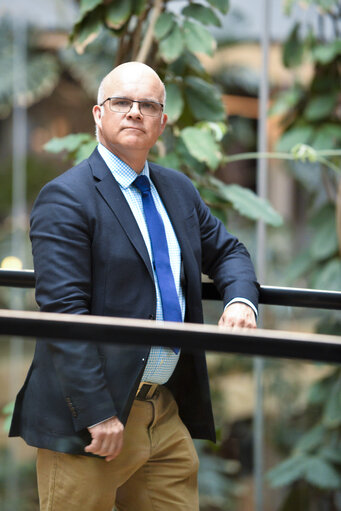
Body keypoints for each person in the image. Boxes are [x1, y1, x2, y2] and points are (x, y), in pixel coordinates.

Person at [10, 62, 259, 511]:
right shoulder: (66, 197)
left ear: (162, 122)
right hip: (91, 419)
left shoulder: (178, 190)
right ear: (97, 114)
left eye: (147, 105)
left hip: (162, 412)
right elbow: (64, 313)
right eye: (121, 102)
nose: (134, 112)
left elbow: (230, 251)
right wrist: (97, 413)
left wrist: (241, 300)